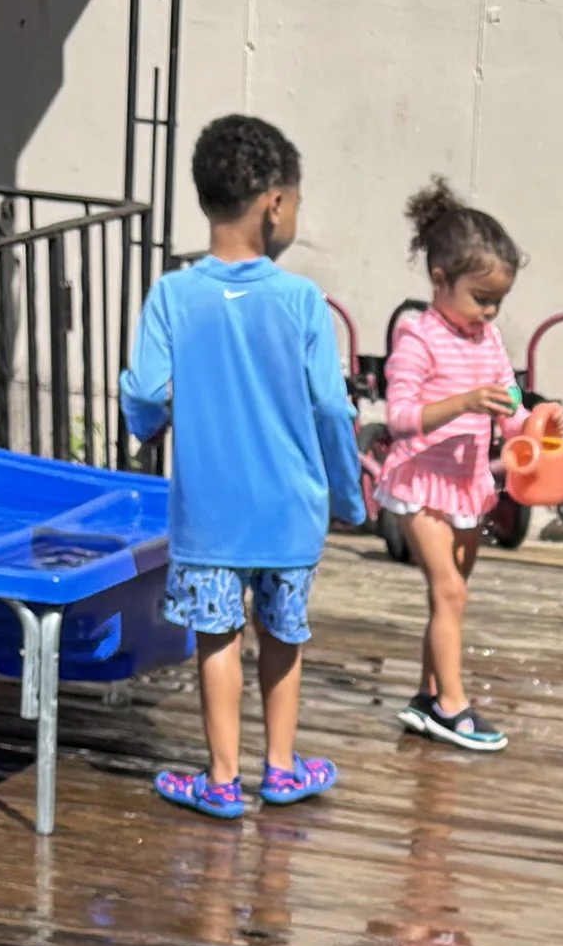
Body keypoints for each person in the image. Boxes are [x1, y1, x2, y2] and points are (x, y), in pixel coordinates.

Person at [122, 114, 364, 820]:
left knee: (216, 638)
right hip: (289, 510)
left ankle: (223, 779)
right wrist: (347, 496)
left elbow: (140, 390)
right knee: (284, 634)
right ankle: (282, 768)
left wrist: (152, 424)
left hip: (209, 514)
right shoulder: (302, 302)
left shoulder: (173, 295)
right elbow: (329, 407)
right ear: (275, 203)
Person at [378, 179, 525, 754]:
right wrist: (463, 403)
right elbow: (400, 417)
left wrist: (534, 425)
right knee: (450, 592)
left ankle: (427, 695)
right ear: (440, 281)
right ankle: (454, 708)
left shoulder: (487, 340)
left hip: (467, 486)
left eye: (497, 302)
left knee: (450, 594)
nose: (489, 312)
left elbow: (509, 402)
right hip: (420, 479)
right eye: (480, 297)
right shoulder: (419, 338)